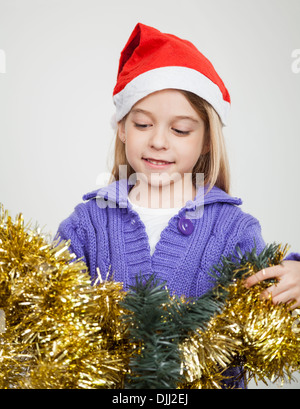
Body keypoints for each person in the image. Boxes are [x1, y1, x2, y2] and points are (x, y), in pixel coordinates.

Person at [55, 23, 300, 388]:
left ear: (205, 141)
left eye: (180, 130)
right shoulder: (86, 225)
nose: (157, 141)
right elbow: (51, 313)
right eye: (142, 124)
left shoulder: (234, 229)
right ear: (122, 128)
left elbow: (270, 298)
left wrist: (294, 278)